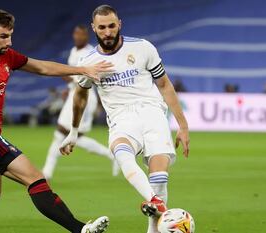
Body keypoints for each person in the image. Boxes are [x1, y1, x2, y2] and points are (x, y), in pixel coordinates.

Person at [0, 9, 112, 233]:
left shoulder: (6, 56)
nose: (9, 42)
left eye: (10, 35)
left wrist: (82, 70)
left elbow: (42, 67)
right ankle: (81, 229)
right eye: (3, 36)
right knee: (35, 178)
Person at [59, 5, 190, 233]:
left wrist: (183, 124)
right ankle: (153, 200)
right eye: (102, 27)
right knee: (122, 153)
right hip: (121, 118)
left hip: (152, 112)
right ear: (94, 28)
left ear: (119, 23)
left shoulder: (142, 47)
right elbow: (80, 95)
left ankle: (153, 218)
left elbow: (164, 85)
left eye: (111, 26)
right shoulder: (88, 61)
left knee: (159, 178)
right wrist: (73, 131)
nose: (108, 32)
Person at [42, 25, 118, 180]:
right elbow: (74, 76)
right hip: (73, 93)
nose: (78, 37)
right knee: (64, 134)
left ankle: (46, 172)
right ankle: (46, 172)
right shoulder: (73, 51)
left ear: (87, 36)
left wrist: (66, 75)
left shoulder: (91, 52)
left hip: (85, 95)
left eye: (81, 34)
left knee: (66, 132)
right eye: (76, 34)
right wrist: (68, 85)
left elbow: (89, 76)